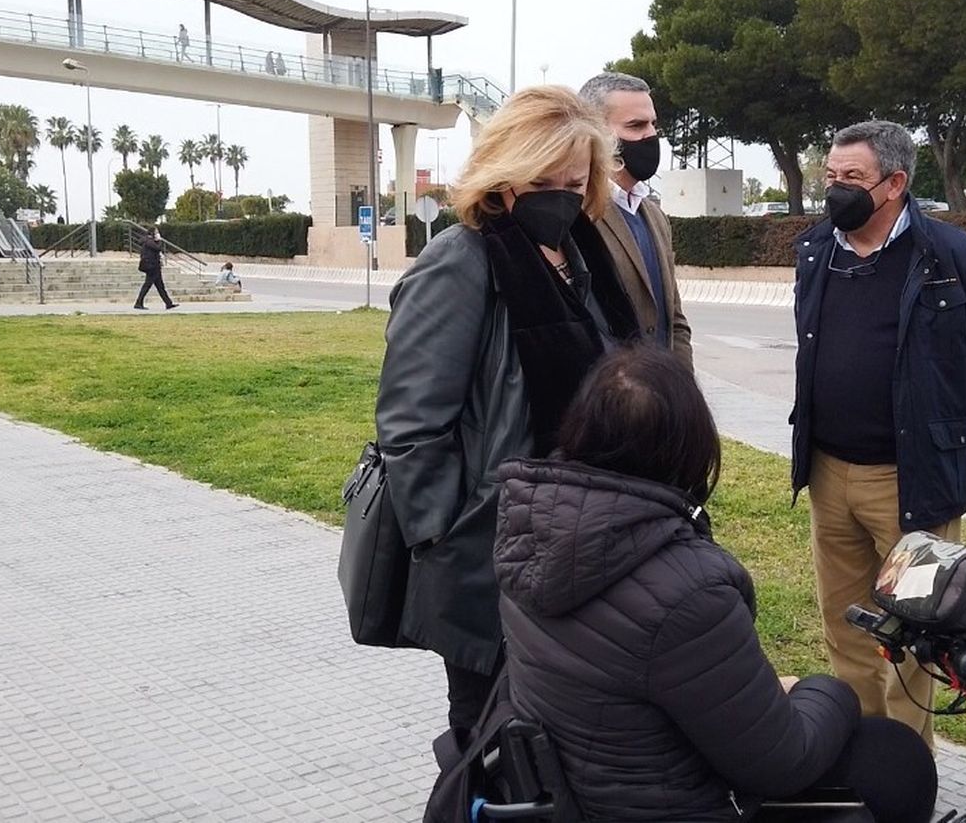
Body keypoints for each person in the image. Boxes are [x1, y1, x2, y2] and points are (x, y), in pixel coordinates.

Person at [496, 346, 937, 822]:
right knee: (897, 759)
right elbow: (782, 762)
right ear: (688, 448)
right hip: (667, 805)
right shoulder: (689, 592)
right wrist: (831, 690)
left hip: (582, 789)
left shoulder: (532, 530)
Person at [374, 85, 641, 740]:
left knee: (567, 746)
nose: (559, 194)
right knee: (493, 746)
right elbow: (410, 429)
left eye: (574, 181)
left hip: (587, 553)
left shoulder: (583, 258)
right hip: (491, 561)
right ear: (502, 175)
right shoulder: (459, 263)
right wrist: (449, 541)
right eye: (540, 179)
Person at [791, 120, 966, 746]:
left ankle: (906, 769)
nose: (835, 190)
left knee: (915, 636)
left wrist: (938, 433)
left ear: (894, 184)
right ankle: (860, 756)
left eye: (851, 179)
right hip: (829, 474)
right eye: (830, 177)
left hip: (910, 482)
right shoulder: (816, 251)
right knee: (847, 626)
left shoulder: (952, 258)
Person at [578, 72, 692, 368]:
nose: (650, 135)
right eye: (636, 126)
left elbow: (674, 320)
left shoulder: (654, 217)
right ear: (596, 132)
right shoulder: (579, 215)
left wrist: (683, 391)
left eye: (653, 124)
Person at [134, 227, 177, 310]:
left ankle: (168, 303)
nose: (157, 233)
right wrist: (159, 240)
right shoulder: (149, 241)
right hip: (152, 266)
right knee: (147, 285)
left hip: (154, 266)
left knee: (160, 286)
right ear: (152, 233)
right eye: (156, 232)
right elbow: (158, 248)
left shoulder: (147, 241)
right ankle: (138, 303)